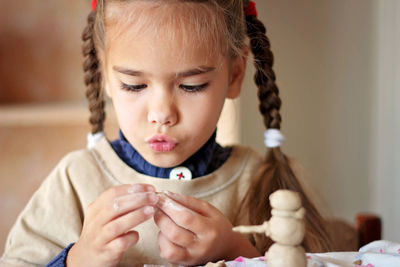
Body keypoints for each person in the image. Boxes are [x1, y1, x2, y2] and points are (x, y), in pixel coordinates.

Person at [0, 0, 331, 266]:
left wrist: (235, 250)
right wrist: (77, 259)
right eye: (134, 85)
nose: (161, 114)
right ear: (105, 77)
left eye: (191, 86)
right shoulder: (76, 179)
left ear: (234, 75)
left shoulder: (260, 180)